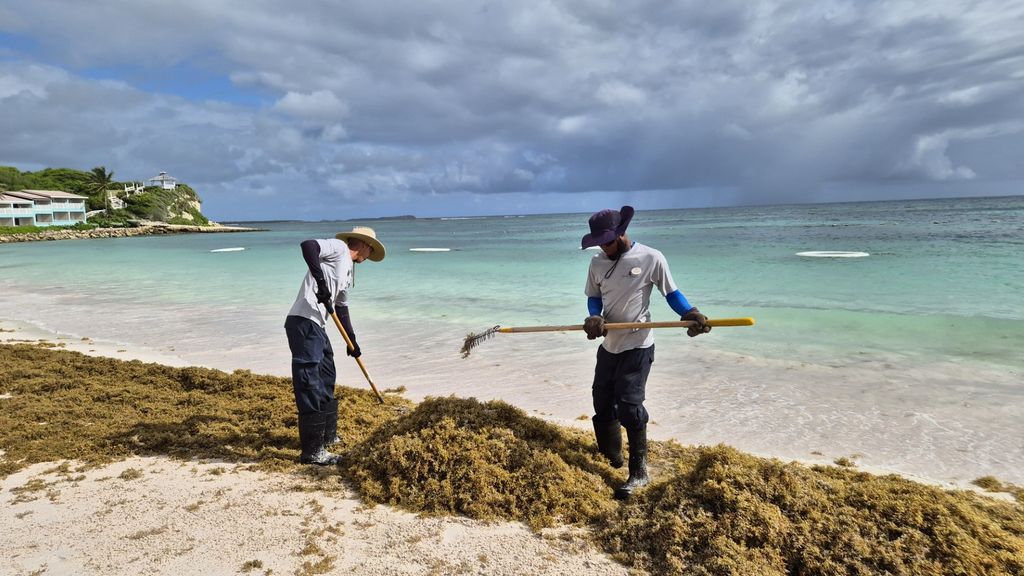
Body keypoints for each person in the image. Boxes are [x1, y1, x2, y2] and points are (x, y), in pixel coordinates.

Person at [581, 206, 710, 498]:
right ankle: (611, 458)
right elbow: (593, 297)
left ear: (621, 233)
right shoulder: (597, 263)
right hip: (609, 344)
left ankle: (639, 473)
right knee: (602, 402)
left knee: (629, 404)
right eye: (599, 242)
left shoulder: (652, 257)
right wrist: (594, 317)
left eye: (608, 241)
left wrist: (690, 312)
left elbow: (672, 294)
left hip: (638, 345)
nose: (604, 247)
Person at [284, 226, 386, 465]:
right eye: (370, 250)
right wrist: (320, 281)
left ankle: (328, 436)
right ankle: (313, 452)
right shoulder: (339, 249)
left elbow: (341, 307)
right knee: (310, 382)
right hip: (303, 321)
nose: (369, 256)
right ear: (363, 245)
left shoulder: (349, 272)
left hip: (318, 324)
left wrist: (352, 340)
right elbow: (308, 245)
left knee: (327, 375)